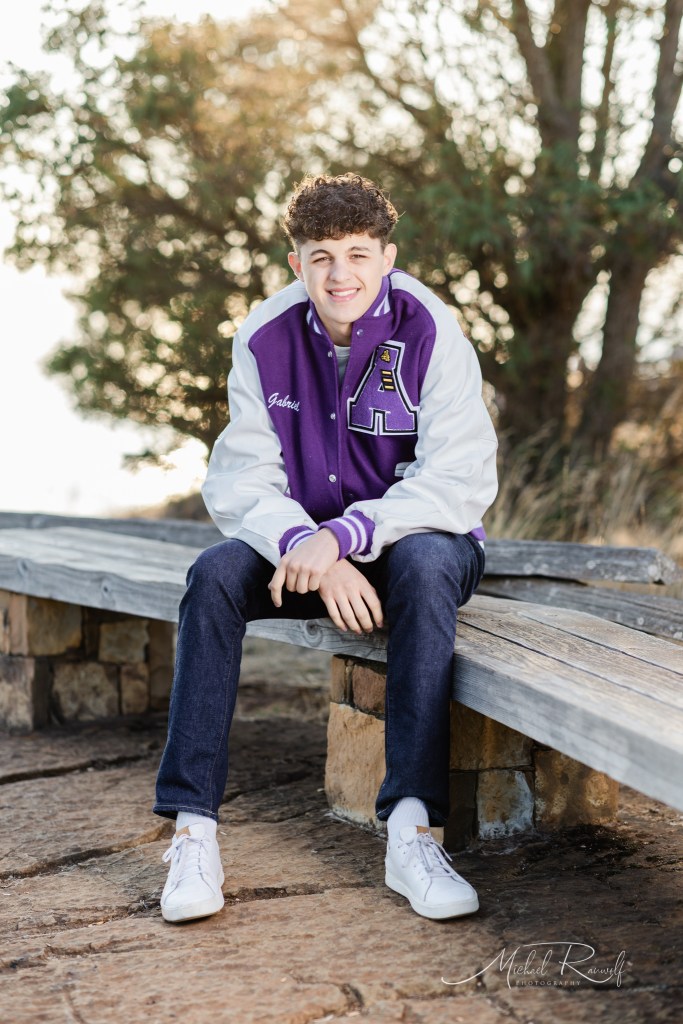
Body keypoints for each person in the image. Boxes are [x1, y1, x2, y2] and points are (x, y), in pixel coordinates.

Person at [154, 173, 498, 923]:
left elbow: (459, 478)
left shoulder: (431, 329)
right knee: (213, 577)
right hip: (306, 549)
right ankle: (193, 833)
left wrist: (345, 535)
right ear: (296, 263)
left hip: (416, 542)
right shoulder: (263, 336)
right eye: (321, 257)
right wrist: (311, 544)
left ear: (387, 257)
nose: (340, 275)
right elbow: (243, 477)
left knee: (425, 566)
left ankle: (412, 833)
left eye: (357, 254)